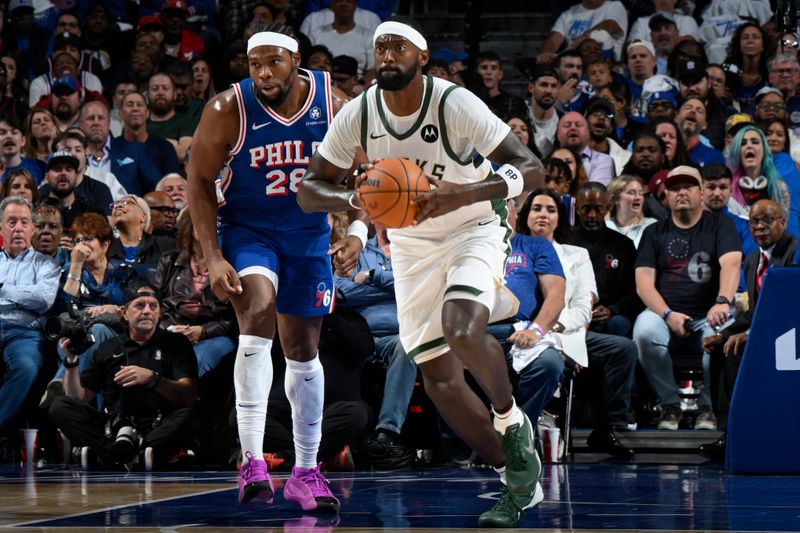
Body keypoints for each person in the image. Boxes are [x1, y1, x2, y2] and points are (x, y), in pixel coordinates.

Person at [298, 17, 547, 528]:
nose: (386, 55)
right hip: (410, 244)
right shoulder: (360, 113)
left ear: (422, 57)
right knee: (437, 378)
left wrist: (469, 191)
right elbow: (308, 188)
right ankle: (517, 476)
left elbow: (531, 167)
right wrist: (356, 200)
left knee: (460, 327)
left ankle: (509, 418)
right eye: (380, 48)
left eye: (398, 48)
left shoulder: (454, 103)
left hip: (475, 225)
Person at [187, 23, 354, 512]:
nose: (262, 73)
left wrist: (358, 233)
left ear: (295, 62)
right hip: (249, 231)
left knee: (303, 349)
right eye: (254, 63)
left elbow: (368, 175)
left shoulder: (334, 103)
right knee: (257, 309)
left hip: (308, 236)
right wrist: (213, 255)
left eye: (272, 63)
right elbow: (198, 182)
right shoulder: (227, 108)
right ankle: (252, 460)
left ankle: (305, 471)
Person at [524, 187, 637, 456]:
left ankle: (608, 428)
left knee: (623, 349)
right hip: (522, 334)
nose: (543, 215)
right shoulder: (509, 251)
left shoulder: (576, 255)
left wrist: (555, 334)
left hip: (566, 332)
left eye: (551, 210)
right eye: (537, 208)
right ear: (525, 215)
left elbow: (583, 308)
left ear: (560, 218)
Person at [633, 165, 742, 431]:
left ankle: (707, 406)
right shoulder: (654, 232)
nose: (681, 192)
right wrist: (668, 314)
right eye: (674, 188)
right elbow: (643, 283)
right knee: (644, 332)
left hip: (709, 313)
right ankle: (670, 404)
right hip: (666, 313)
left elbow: (731, 263)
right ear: (666, 195)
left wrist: (723, 301)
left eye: (688, 186)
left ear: (702, 192)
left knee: (719, 338)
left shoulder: (720, 225)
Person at [48, 281, 198, 468]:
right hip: (113, 427)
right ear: (124, 313)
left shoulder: (176, 344)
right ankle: (133, 456)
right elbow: (78, 397)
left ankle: (111, 456)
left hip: (160, 426)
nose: (147, 311)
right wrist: (71, 361)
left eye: (153, 306)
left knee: (194, 412)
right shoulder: (109, 348)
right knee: (60, 406)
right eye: (139, 305)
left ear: (159, 313)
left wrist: (153, 379)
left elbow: (188, 394)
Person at [701, 199, 798, 458]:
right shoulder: (753, 258)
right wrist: (724, 334)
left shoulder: (796, 252)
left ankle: (745, 431)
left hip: (791, 338)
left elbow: (789, 311)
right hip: (767, 333)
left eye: (767, 220)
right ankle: (728, 433)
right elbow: (757, 312)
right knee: (720, 347)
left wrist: (751, 336)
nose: (760, 227)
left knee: (736, 352)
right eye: (754, 221)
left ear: (783, 222)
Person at [334, 221, 418, 469]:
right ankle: (340, 437)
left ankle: (386, 434)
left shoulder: (414, 250)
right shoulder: (356, 250)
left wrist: (372, 277)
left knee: (406, 347)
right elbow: (340, 292)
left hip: (399, 336)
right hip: (359, 334)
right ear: (372, 217)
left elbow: (418, 286)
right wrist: (394, 285)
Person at [0, 196, 61, 433]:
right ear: (1, 227)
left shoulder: (47, 264)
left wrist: (3, 288)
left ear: (32, 228)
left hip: (25, 333)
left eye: (24, 222)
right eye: (12, 221)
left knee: (26, 367)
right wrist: (24, 294)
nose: (18, 228)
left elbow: (43, 300)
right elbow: (32, 296)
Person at [153, 209, 237, 378]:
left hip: (214, 335)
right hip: (173, 329)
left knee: (198, 358)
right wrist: (169, 327)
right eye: (203, 221)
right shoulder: (169, 260)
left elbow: (236, 318)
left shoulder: (233, 264)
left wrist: (202, 331)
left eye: (215, 223)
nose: (209, 228)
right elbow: (154, 302)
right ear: (189, 226)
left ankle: (187, 401)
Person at [572, 182, 640, 337]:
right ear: (577, 207)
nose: (592, 215)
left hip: (611, 317)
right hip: (573, 313)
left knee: (619, 324)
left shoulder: (624, 245)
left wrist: (613, 309)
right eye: (586, 209)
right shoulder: (564, 242)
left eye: (598, 209)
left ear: (607, 208)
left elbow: (634, 290)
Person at [605, 175, 657, 248]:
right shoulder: (605, 226)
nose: (638, 197)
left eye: (640, 193)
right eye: (631, 193)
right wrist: (607, 223)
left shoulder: (651, 225)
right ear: (616, 199)